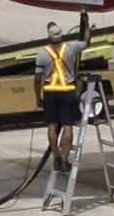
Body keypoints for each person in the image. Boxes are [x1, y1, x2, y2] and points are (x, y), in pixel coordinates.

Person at [35, 24, 87, 164]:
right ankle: (65, 159)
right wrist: (86, 27)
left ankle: (56, 157)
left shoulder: (42, 53)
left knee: (52, 125)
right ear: (61, 35)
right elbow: (87, 42)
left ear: (49, 36)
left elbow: (38, 78)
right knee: (67, 126)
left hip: (50, 92)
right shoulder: (71, 48)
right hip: (67, 91)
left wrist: (37, 97)